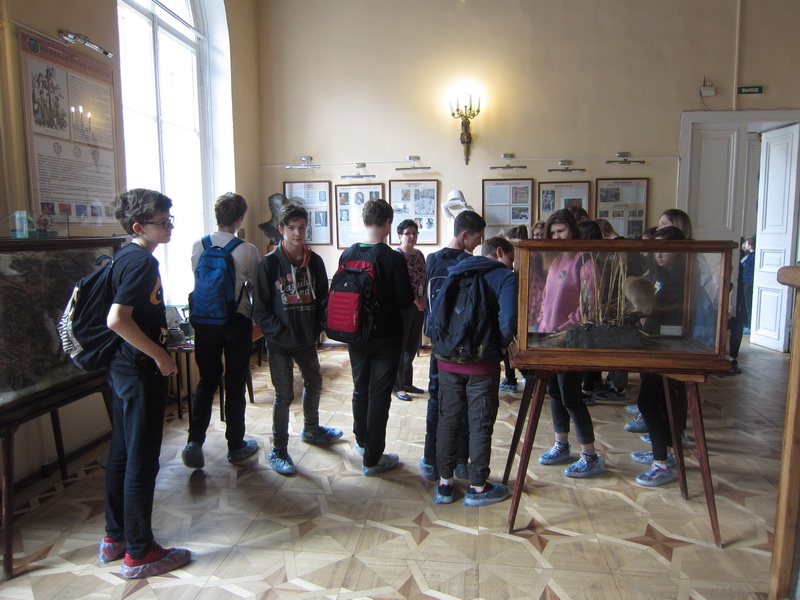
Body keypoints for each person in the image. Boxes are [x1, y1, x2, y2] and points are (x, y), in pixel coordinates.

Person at [100, 188, 191, 578]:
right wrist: (159, 355)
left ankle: (115, 536)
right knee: (141, 461)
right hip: (138, 372)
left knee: (122, 454)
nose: (169, 226)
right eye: (162, 221)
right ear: (139, 227)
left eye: (170, 219)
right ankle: (139, 552)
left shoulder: (124, 255)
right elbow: (117, 319)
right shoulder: (141, 262)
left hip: (122, 369)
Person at [253, 203, 341, 475]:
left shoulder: (315, 262)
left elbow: (323, 298)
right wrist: (280, 333)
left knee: (314, 383)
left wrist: (317, 327)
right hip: (280, 342)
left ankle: (311, 429)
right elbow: (260, 310)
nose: (297, 233)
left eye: (302, 228)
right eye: (291, 228)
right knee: (284, 395)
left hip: (306, 338)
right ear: (281, 229)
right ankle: (279, 449)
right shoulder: (268, 264)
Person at [433, 236, 517, 506]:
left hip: (447, 359)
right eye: (511, 259)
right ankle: (478, 487)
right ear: (500, 252)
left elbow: (436, 315)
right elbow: (509, 319)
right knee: (480, 421)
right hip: (482, 361)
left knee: (448, 419)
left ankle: (445, 484)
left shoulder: (456, 270)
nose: (512, 265)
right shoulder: (505, 277)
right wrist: (501, 345)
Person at [182, 193, 261, 470]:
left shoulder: (199, 244)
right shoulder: (247, 249)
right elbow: (255, 284)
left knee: (207, 380)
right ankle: (235, 445)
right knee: (235, 383)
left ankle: (194, 442)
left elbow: (199, 278)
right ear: (240, 219)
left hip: (204, 321)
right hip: (235, 321)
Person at [342, 199, 414, 476]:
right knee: (379, 395)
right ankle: (373, 459)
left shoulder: (348, 253)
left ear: (364, 221)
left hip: (354, 333)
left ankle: (362, 442)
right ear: (388, 223)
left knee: (360, 388)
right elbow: (405, 300)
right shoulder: (392, 258)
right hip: (386, 336)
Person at [536, 209, 605, 478]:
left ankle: (590, 455)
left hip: (570, 340)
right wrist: (542, 325)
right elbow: (546, 298)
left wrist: (564, 329)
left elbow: (589, 307)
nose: (556, 236)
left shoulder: (584, 260)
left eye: (561, 231)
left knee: (571, 396)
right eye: (552, 233)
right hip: (549, 339)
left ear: (573, 230)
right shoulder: (555, 260)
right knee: (554, 392)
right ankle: (561, 444)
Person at [419, 210, 486, 481]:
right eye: (477, 237)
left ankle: (431, 459)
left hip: (438, 342)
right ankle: (459, 460)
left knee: (436, 397)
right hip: (462, 345)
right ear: (465, 234)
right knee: (464, 400)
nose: (479, 243)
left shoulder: (432, 259)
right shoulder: (471, 263)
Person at [630, 225, 688, 486]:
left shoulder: (682, 277)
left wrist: (649, 310)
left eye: (667, 249)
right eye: (657, 249)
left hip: (669, 345)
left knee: (649, 402)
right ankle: (661, 453)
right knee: (656, 401)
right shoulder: (662, 275)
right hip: (655, 341)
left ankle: (661, 464)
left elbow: (677, 307)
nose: (660, 254)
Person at [393, 218, 427, 401]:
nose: (412, 236)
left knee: (412, 346)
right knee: (399, 347)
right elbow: (400, 284)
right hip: (403, 307)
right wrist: (414, 300)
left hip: (419, 306)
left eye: (414, 233)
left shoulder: (419, 254)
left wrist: (423, 300)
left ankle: (407, 382)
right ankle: (397, 386)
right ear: (400, 235)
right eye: (407, 233)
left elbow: (424, 278)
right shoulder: (396, 256)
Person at [499, 225, 528, 392]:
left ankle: (522, 375)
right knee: (509, 343)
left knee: (514, 344)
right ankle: (511, 377)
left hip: (520, 308)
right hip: (515, 306)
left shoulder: (522, 260)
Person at [737, 235, 755, 333]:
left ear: (750, 245)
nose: (745, 245)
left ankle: (749, 325)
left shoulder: (753, 256)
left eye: (747, 243)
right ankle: (747, 324)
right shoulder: (750, 256)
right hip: (746, 281)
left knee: (748, 304)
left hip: (748, 282)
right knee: (746, 303)